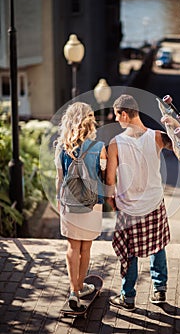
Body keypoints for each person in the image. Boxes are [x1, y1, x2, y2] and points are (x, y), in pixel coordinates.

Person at [106, 94, 172, 311]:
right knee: (158, 245)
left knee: (129, 252)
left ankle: (128, 297)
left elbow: (109, 180)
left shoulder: (115, 144)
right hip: (154, 202)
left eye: (117, 116)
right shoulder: (157, 136)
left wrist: (110, 199)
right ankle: (159, 289)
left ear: (124, 114)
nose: (116, 120)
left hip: (129, 208)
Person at [54, 102, 107, 309]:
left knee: (72, 246)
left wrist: (59, 201)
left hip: (69, 201)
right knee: (86, 247)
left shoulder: (61, 146)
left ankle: (74, 292)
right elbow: (104, 176)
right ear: (90, 121)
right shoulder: (99, 147)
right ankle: (81, 285)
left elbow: (59, 179)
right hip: (92, 204)